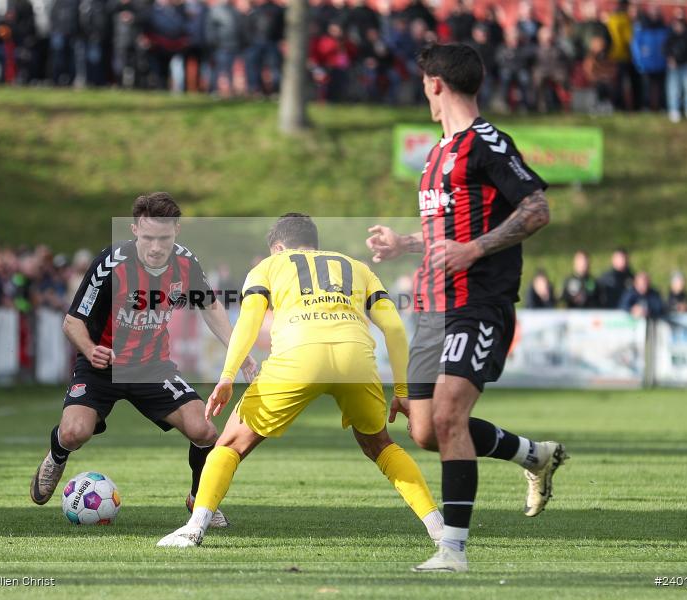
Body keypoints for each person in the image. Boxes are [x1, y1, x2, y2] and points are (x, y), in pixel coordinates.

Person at [364, 43, 567, 573]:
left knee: (452, 414)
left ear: (435, 83)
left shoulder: (487, 142)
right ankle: (532, 455)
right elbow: (446, 232)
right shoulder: (436, 153)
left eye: (423, 83)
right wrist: (402, 245)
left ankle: (452, 551)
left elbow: (537, 207)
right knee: (428, 430)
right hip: (433, 307)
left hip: (478, 300)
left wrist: (475, 251)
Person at [156, 213, 445, 548]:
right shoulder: (355, 266)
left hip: (298, 357)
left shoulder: (269, 266)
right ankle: (438, 527)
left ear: (278, 246)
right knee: (380, 445)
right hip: (355, 358)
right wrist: (403, 391)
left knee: (231, 444)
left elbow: (248, 322)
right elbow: (394, 328)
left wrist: (227, 376)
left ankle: (194, 528)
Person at [29, 193, 257, 530]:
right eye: (148, 237)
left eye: (163, 238)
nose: (155, 247)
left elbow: (210, 307)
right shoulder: (110, 263)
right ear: (135, 230)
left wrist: (241, 353)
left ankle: (199, 499)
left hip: (152, 367)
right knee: (75, 432)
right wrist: (90, 349)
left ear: (176, 231)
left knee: (205, 430)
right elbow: (72, 322)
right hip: (101, 365)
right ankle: (57, 456)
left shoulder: (186, 263)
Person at [664, 10, 687, 122]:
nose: (679, 26)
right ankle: (674, 109)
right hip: (674, 66)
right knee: (674, 88)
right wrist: (670, 58)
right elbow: (665, 49)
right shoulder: (670, 35)